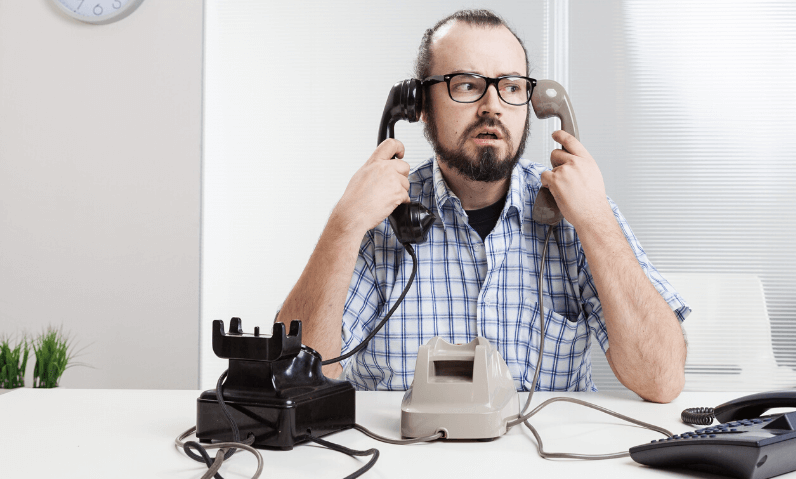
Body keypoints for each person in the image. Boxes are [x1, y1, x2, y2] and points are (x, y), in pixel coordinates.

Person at [277, 10, 689, 403]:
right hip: (406, 466)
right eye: (468, 84)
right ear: (420, 107)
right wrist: (344, 225)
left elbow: (661, 380)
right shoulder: (376, 219)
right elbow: (289, 383)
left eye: (511, 87)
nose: (492, 105)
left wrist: (596, 220)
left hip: (548, 470)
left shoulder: (580, 212)